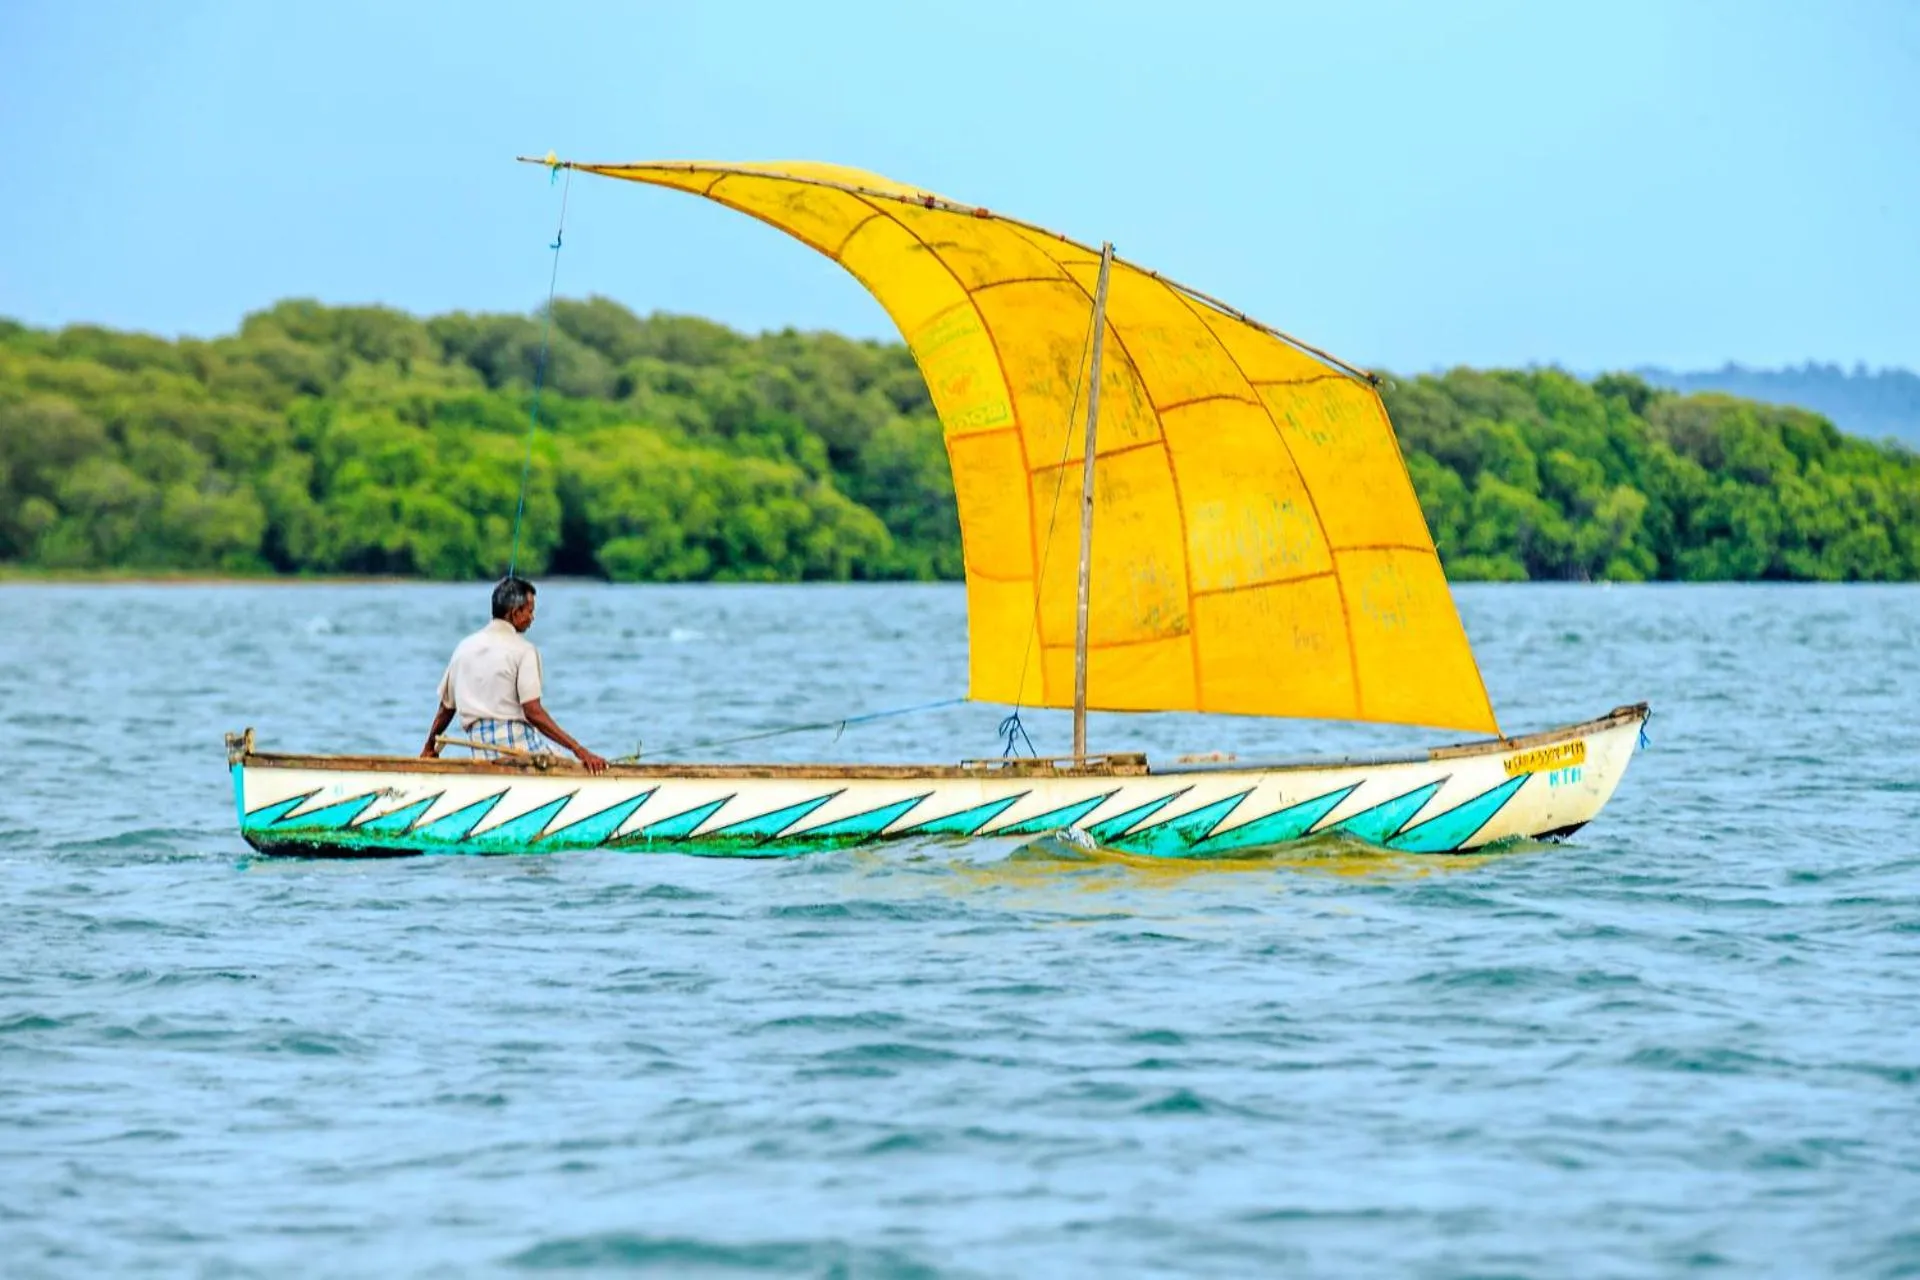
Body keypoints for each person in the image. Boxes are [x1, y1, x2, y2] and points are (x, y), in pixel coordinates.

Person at [420, 577, 608, 773]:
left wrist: (428, 747)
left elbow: (446, 708)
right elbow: (533, 711)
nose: (532, 617)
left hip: (481, 749)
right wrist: (579, 750)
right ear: (515, 613)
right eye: (530, 611)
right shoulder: (524, 650)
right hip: (516, 747)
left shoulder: (464, 647)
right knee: (573, 766)